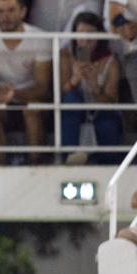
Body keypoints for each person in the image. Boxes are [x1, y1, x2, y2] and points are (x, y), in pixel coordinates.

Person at [0, 0, 52, 165]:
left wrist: (14, 94)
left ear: (23, 12)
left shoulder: (39, 38)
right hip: (1, 97)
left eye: (10, 10)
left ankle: (35, 164)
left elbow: (42, 87)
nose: (5, 16)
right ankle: (0, 166)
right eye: (0, 12)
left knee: (33, 108)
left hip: (30, 96)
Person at [60, 11, 121, 165]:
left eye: (90, 34)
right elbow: (61, 93)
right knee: (71, 99)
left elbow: (110, 101)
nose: (85, 39)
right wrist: (75, 79)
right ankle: (70, 155)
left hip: (100, 108)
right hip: (76, 109)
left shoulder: (111, 62)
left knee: (108, 120)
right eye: (80, 33)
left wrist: (95, 86)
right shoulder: (66, 55)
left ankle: (109, 163)